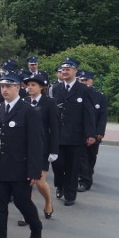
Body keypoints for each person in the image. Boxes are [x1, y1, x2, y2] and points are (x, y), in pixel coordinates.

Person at [0, 73, 44, 238]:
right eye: (2, 87)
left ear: (18, 88)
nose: (4, 90)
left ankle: (36, 226)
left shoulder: (28, 111)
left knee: (23, 202)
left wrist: (34, 171)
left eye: (9, 86)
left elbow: (35, 143)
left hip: (19, 168)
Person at [50, 57, 96, 207]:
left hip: (76, 136)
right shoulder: (55, 89)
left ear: (75, 71)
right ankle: (60, 185)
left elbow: (89, 113)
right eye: (62, 69)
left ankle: (70, 194)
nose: (64, 72)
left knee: (72, 166)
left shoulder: (84, 90)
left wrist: (90, 134)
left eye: (67, 69)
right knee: (58, 164)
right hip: (58, 135)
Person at [22, 73, 60, 220]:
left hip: (42, 147)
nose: (30, 88)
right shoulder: (24, 102)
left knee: (39, 181)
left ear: (41, 87)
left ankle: (48, 201)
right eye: (28, 85)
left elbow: (55, 127)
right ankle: (29, 214)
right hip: (25, 147)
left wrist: (54, 150)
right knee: (26, 184)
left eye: (33, 85)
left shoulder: (49, 103)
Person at [77, 70, 108, 190]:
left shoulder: (99, 96)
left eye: (86, 80)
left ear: (92, 81)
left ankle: (88, 174)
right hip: (80, 132)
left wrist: (100, 132)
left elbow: (103, 115)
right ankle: (84, 181)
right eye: (82, 80)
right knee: (81, 157)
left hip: (95, 132)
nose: (84, 82)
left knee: (91, 156)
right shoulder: (77, 94)